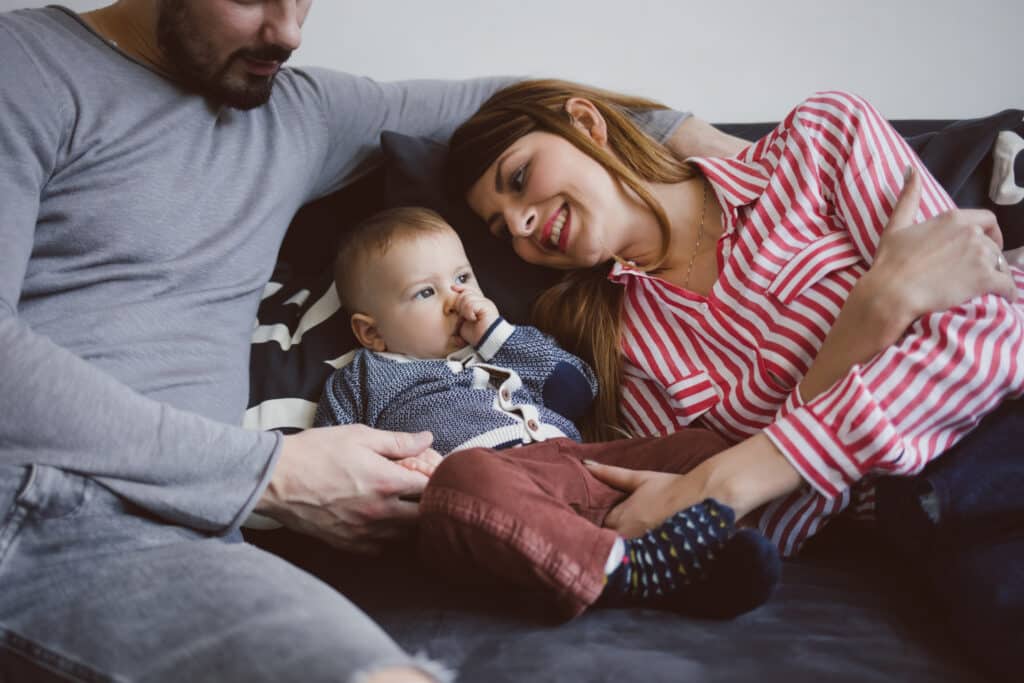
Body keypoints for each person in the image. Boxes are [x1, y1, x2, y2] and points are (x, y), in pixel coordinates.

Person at [0, 1, 750, 680]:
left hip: (182, 544)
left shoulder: (292, 110)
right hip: (35, 499)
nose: (287, 32)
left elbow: (510, 102)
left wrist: (723, 157)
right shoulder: (25, 66)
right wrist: (270, 472)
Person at [445, 80, 1024, 680]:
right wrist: (870, 318)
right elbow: (762, 523)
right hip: (925, 516)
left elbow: (991, 336)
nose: (521, 225)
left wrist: (743, 471)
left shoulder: (818, 142)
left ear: (586, 123)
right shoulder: (617, 347)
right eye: (501, 230)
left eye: (518, 180)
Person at [313, 206, 782, 620]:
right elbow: (335, 466)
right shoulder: (366, 377)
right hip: (484, 494)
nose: (457, 299)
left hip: (581, 466)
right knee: (466, 475)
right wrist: (408, 475)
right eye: (425, 293)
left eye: (462, 278)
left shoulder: (508, 345)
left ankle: (705, 558)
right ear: (371, 333)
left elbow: (576, 391)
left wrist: (498, 335)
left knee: (701, 447)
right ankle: (619, 568)